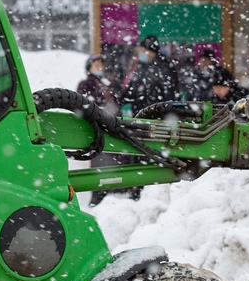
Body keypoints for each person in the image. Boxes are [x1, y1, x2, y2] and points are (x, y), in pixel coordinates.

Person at [76, 54, 123, 205]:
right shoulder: (86, 84)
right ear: (89, 68)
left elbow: (117, 101)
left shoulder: (108, 83)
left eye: (101, 65)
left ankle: (113, 192)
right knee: (100, 161)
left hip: (111, 126)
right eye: (96, 65)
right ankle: (99, 194)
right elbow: (84, 104)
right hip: (98, 127)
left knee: (114, 159)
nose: (99, 68)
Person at [119, 35, 178, 114]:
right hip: (141, 113)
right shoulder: (142, 65)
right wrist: (122, 99)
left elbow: (170, 93)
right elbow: (134, 86)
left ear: (152, 51)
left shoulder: (164, 67)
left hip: (156, 113)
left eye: (143, 51)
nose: (140, 54)